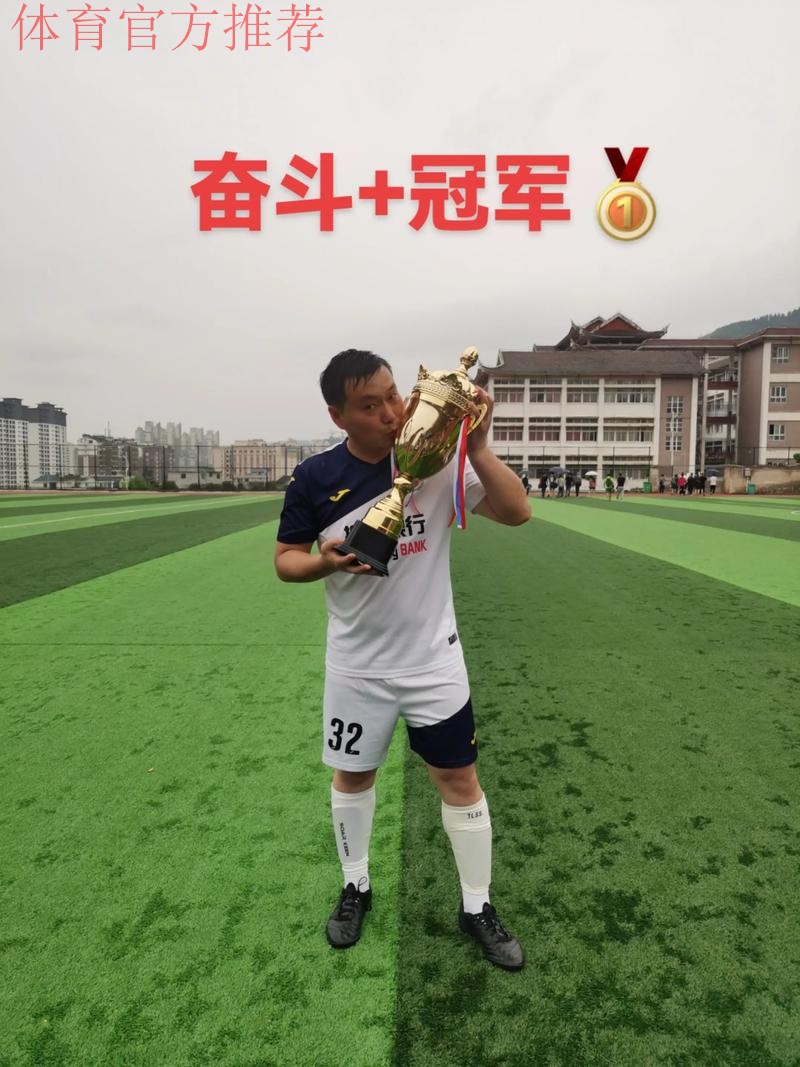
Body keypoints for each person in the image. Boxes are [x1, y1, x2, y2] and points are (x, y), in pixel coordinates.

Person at [274, 349, 529, 971]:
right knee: (353, 777)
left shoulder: (436, 460)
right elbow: (285, 560)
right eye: (370, 405)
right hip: (357, 667)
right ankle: (356, 886)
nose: (391, 412)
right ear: (338, 416)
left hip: (433, 663)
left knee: (460, 781)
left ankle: (477, 906)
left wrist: (477, 447)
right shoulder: (314, 477)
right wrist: (324, 562)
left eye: (393, 395)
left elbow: (517, 512)